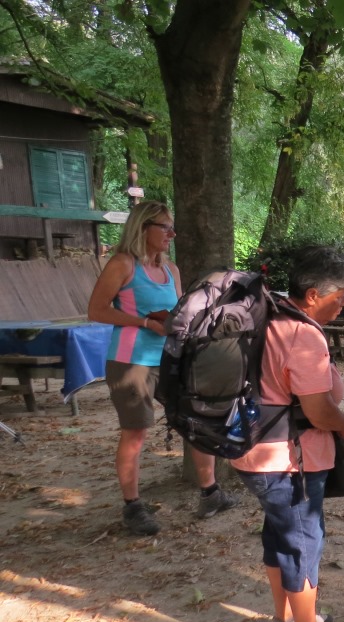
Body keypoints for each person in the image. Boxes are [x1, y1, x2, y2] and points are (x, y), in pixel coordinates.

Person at [230, 245, 344, 622]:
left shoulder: (269, 315)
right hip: (289, 458)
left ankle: (283, 619)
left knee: (280, 535)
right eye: (339, 294)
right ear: (311, 295)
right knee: (303, 541)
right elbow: (319, 410)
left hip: (256, 452)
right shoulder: (301, 333)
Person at [88, 201, 237, 536]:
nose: (172, 234)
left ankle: (210, 494)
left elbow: (181, 311)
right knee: (136, 432)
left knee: (196, 419)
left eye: (172, 227)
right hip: (131, 362)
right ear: (144, 228)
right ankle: (133, 507)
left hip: (170, 358)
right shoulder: (122, 264)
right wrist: (143, 322)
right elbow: (96, 310)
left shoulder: (171, 269)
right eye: (165, 227)